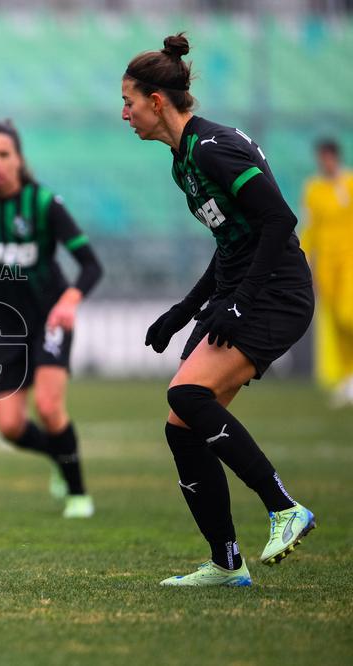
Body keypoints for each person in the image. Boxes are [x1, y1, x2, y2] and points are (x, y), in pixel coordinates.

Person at [122, 34, 316, 587]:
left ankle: (284, 508)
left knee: (186, 394)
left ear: (157, 101)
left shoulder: (212, 148)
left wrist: (240, 302)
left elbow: (280, 221)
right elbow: (232, 240)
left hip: (276, 294)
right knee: (183, 426)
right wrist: (185, 309)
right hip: (243, 292)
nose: (124, 113)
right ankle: (227, 563)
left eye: (129, 101)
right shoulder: (184, 160)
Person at [0, 119, 103, 519]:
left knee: (50, 410)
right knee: (10, 427)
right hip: (4, 326)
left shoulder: (43, 203)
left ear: (19, 159)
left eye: (3, 154)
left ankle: (78, 494)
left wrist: (70, 300)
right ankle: (59, 455)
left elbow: (90, 265)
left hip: (50, 319)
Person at [301, 138, 353, 406]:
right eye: (322, 157)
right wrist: (306, 262)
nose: (325, 162)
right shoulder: (314, 189)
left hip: (350, 262)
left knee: (348, 316)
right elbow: (310, 229)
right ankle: (347, 377)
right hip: (327, 266)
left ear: (336, 157)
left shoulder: (350, 184)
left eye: (328, 157)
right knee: (334, 322)